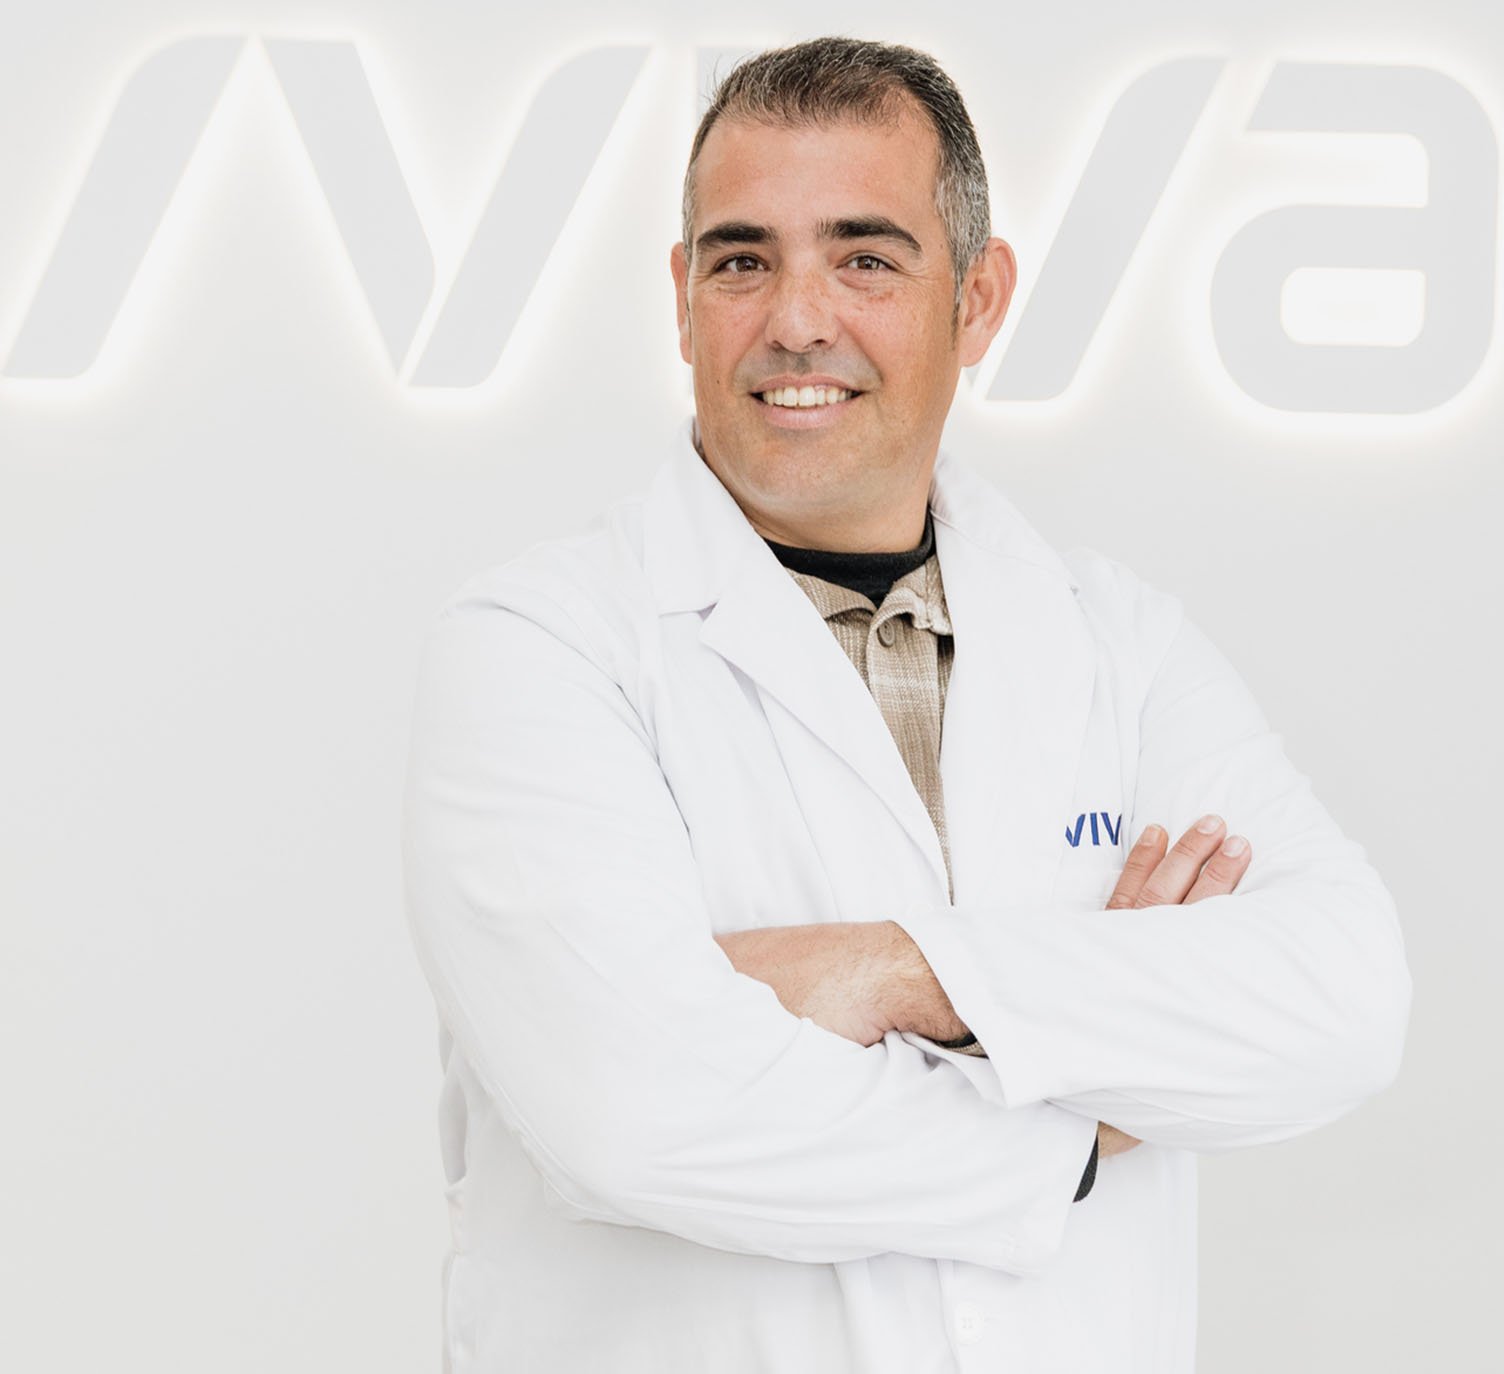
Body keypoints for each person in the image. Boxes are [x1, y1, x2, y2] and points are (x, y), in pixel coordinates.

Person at [402, 36, 1411, 1374]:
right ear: (682, 299)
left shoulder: (1118, 643)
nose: (796, 320)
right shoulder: (539, 648)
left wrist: (895, 972)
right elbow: (637, 1111)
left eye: (865, 258)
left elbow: (1344, 999)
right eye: (741, 261)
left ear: (976, 302)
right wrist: (1085, 1111)